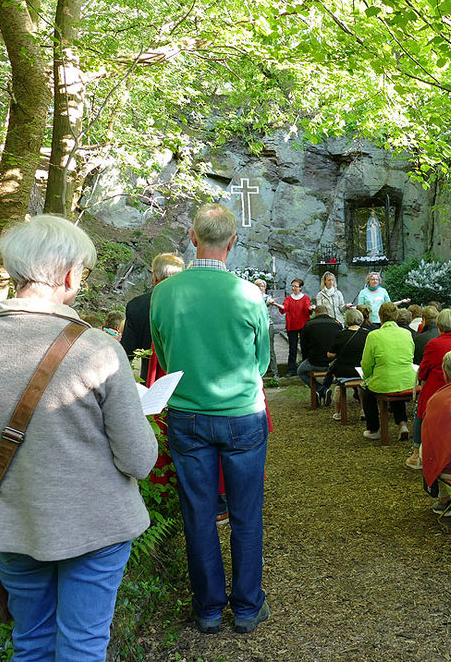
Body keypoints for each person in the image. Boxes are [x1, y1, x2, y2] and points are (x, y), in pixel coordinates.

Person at [0, 215, 157, 659]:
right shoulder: (95, 348)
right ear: (70, 274)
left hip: (13, 524)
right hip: (96, 526)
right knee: (83, 646)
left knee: (30, 643)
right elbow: (138, 459)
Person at [150, 203, 271, 635]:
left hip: (188, 416)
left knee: (198, 514)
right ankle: (246, 607)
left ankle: (207, 609)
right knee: (245, 514)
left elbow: (164, 359)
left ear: (192, 236)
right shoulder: (249, 294)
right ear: (232, 242)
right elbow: (262, 363)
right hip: (242, 415)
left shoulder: (165, 292)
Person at [407, 308, 451, 470]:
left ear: (440, 326)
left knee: (420, 409)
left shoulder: (434, 344)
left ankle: (415, 453)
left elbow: (423, 372)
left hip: (436, 392)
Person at [121, 252, 185, 381]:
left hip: (150, 381)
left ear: (155, 276)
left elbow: (127, 352)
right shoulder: (191, 306)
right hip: (185, 384)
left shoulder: (137, 306)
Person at [360, 301, 416, 441]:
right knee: (396, 385)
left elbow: (366, 364)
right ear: (396, 315)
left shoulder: (374, 335)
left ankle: (373, 429)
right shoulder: (406, 334)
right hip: (407, 380)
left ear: (380, 316)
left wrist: (367, 377)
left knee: (366, 393)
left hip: (384, 381)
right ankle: (402, 424)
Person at [421, 348, 451, 515]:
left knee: (428, 445)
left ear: (445, 373)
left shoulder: (436, 400)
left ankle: (444, 499)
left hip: (449, 468)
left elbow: (428, 438)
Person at [325, 308, 370, 421]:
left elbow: (330, 354)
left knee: (338, 387)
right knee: (362, 387)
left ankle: (337, 412)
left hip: (344, 371)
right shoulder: (367, 334)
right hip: (362, 370)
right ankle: (363, 410)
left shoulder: (340, 335)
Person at [297, 303, 342, 398]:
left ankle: (321, 389)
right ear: (327, 313)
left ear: (315, 313)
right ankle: (324, 390)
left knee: (300, 371)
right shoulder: (337, 324)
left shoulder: (308, 325)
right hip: (333, 362)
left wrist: (306, 359)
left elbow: (303, 345)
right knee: (331, 370)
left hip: (315, 361)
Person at [277, 277, 313, 377]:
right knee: (292, 349)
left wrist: (310, 308)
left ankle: (306, 369)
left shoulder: (305, 297)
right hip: (292, 326)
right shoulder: (288, 298)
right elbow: (285, 307)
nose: (293, 288)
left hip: (303, 326)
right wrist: (277, 305)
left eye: (296, 286)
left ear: (301, 287)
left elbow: (307, 308)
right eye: (292, 286)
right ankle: (291, 370)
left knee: (304, 347)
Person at [253, 279, 280, 378]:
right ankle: (259, 372)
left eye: (262, 286)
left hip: (268, 325)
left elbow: (269, 302)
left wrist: (271, 302)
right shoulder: (252, 297)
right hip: (256, 325)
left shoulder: (267, 297)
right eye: (259, 286)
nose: (261, 288)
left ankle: (274, 372)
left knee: (270, 349)